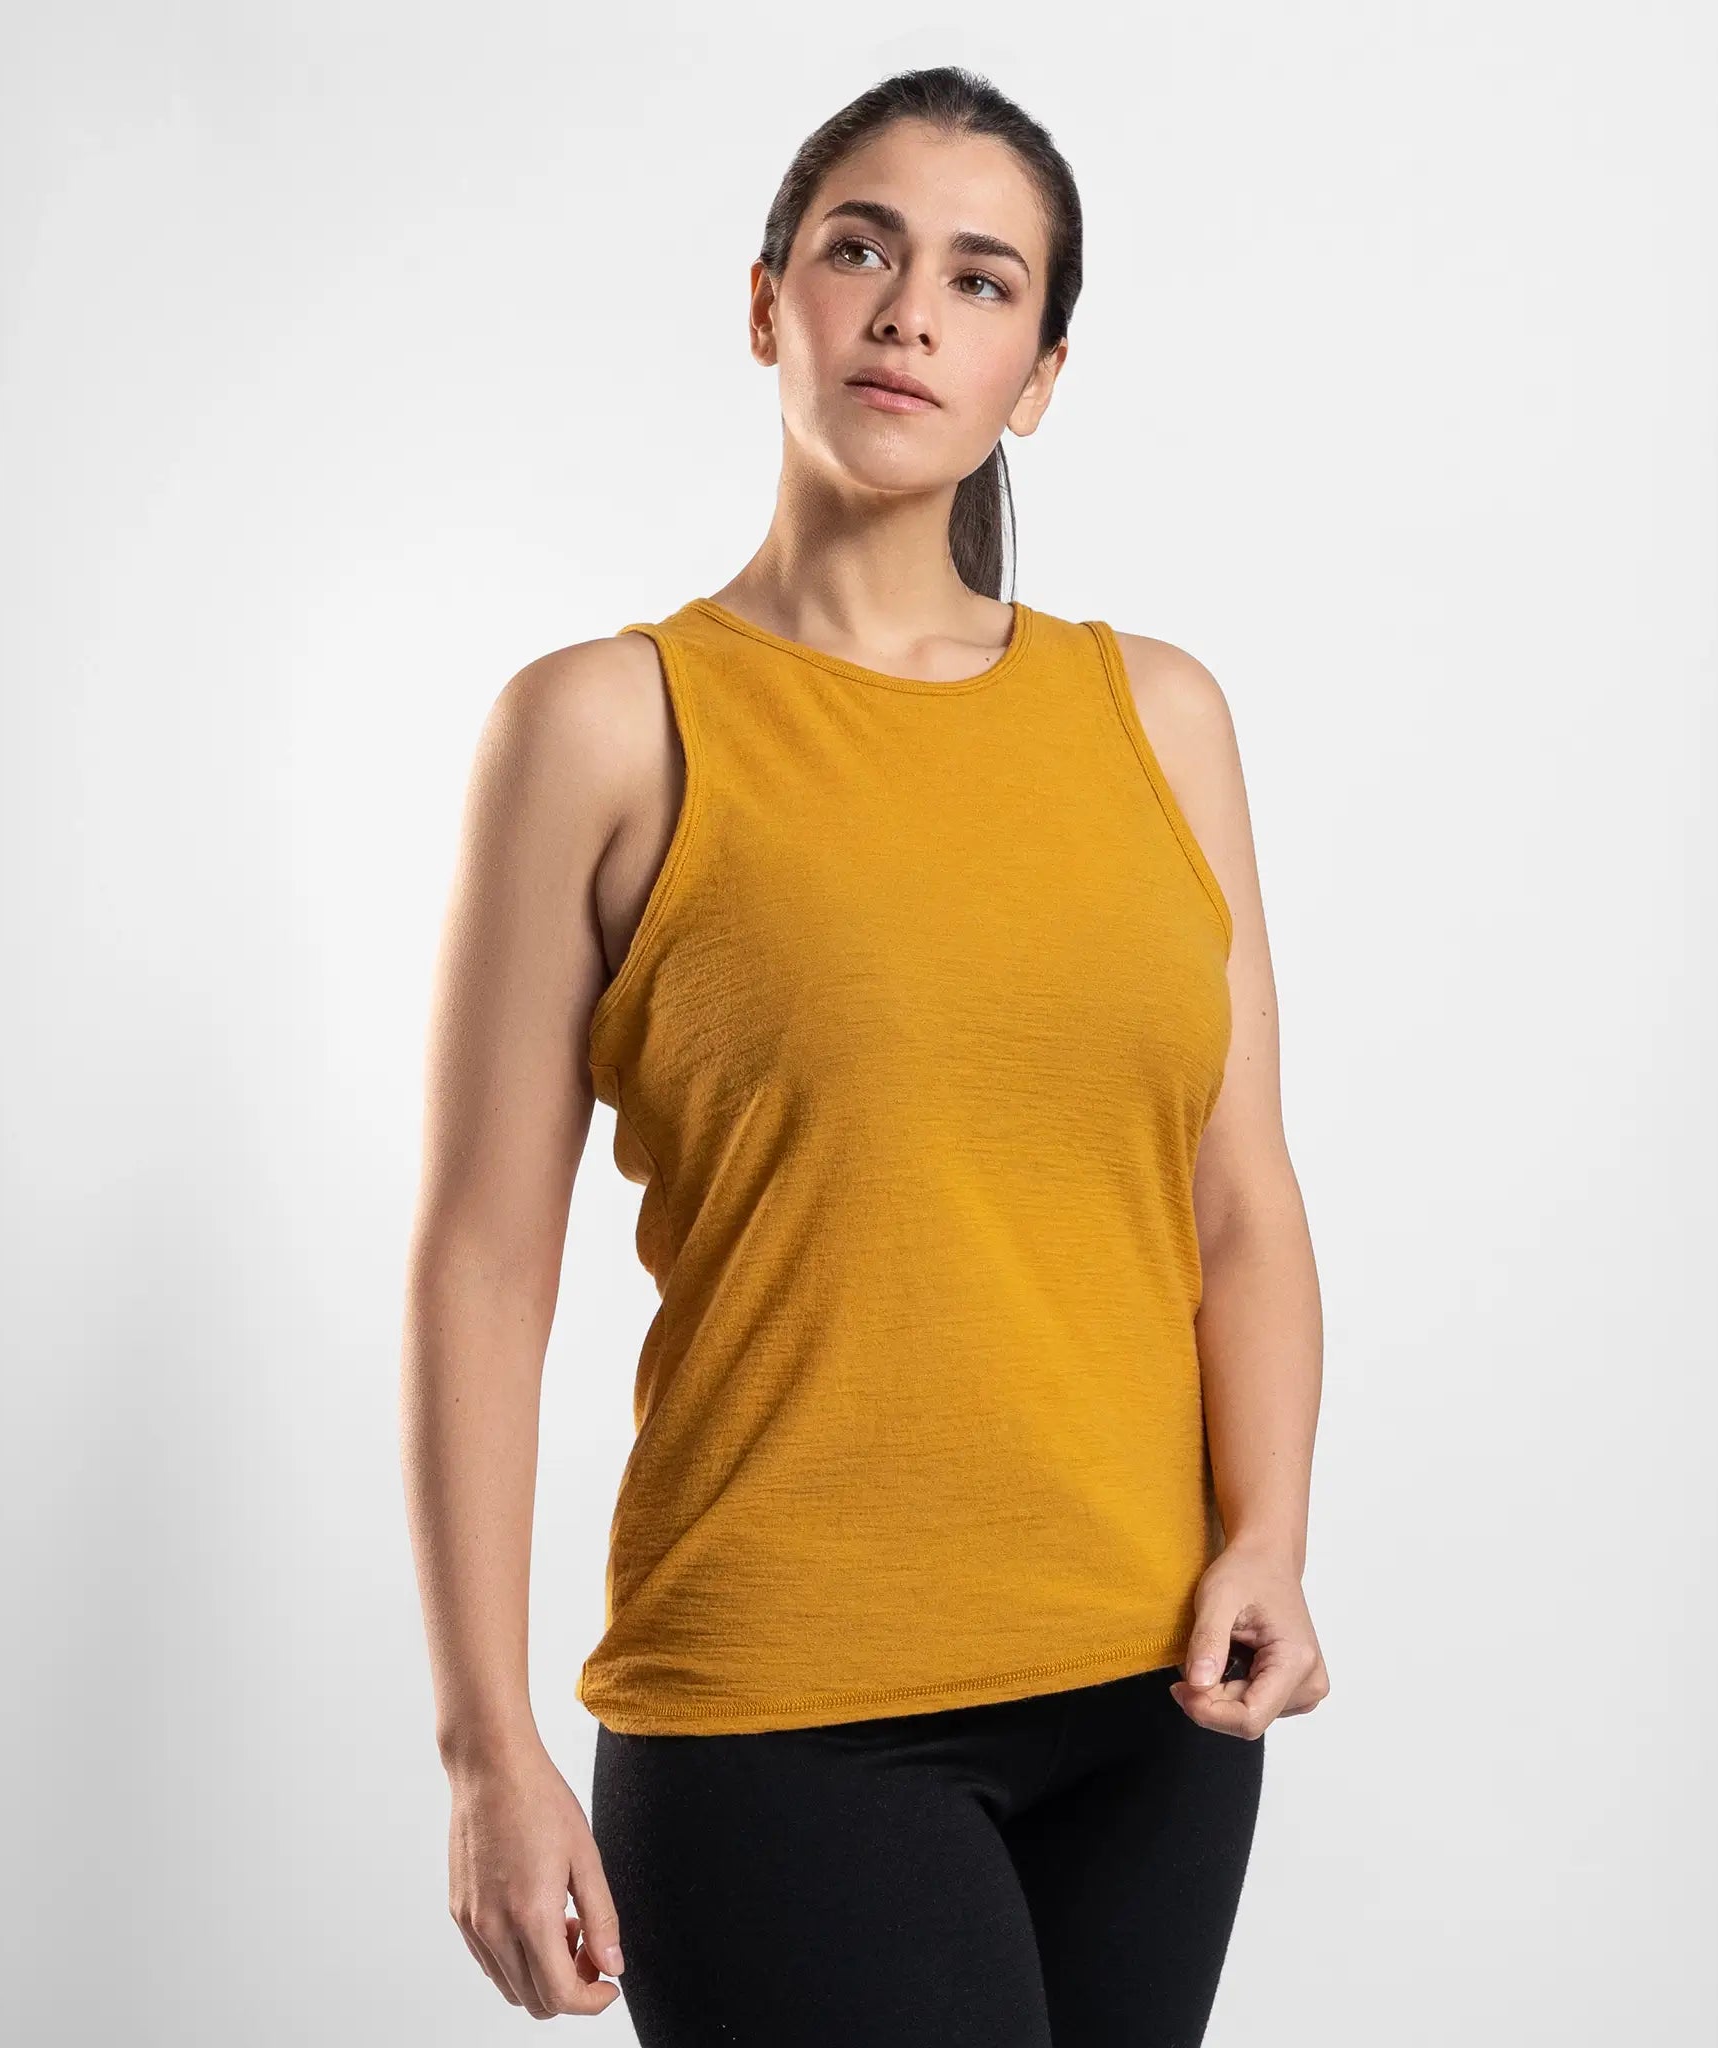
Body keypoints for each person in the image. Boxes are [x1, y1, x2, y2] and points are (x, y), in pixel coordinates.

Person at [400, 63, 1328, 2045]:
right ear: (769, 305)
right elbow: (481, 1261)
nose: (911, 311)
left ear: (1039, 376)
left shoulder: (1159, 716)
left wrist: (1269, 1530)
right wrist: (487, 1749)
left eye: (983, 281)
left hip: (1155, 1707)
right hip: (784, 1722)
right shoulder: (604, 726)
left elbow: (1239, 1199)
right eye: (860, 250)